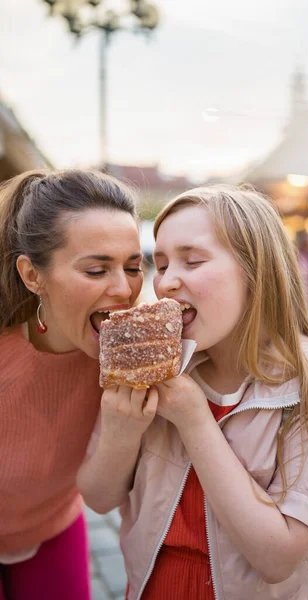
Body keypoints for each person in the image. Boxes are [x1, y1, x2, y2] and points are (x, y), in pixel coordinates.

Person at [78, 185, 308, 600]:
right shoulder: (152, 360)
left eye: (192, 261)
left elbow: (278, 559)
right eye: (159, 264)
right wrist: (122, 433)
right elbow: (99, 498)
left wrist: (195, 420)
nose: (167, 282)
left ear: (256, 270)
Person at [0, 169, 143, 600]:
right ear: (32, 275)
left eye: (134, 267)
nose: (124, 289)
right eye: (97, 269)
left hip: (54, 527)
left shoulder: (135, 354)